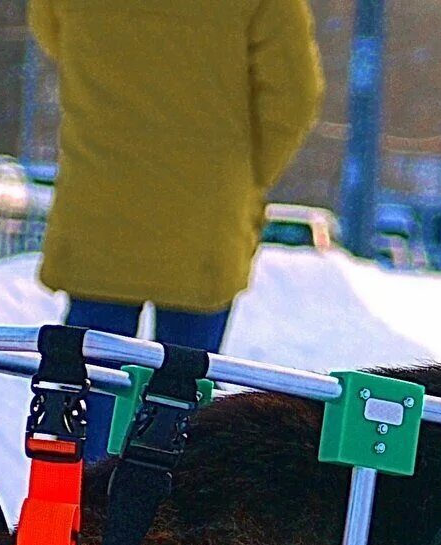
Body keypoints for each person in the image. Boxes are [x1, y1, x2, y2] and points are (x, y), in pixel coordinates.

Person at [28, 0, 324, 460]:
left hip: (102, 207)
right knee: (180, 397)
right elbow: (295, 93)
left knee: (89, 385)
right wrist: (246, 175)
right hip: (205, 221)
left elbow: (53, 34)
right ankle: (154, 515)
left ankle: (75, 513)